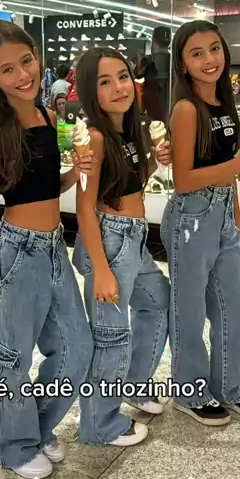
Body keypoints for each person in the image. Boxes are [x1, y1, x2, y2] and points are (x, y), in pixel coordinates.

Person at [0, 21, 95, 479]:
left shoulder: (44, 113)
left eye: (26, 61)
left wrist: (75, 172)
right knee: (13, 356)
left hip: (53, 248)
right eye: (8, 69)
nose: (23, 74)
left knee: (76, 346)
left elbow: (44, 187)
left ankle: (37, 428)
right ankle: (12, 445)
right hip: (17, 252)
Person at [160, 20, 240, 426]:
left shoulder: (224, 103)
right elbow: (184, 179)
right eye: (197, 53)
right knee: (189, 313)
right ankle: (189, 391)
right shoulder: (187, 109)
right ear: (183, 63)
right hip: (191, 218)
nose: (209, 59)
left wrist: (237, 223)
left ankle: (228, 387)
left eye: (214, 49)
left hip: (221, 215)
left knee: (235, 309)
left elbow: (228, 173)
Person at [72, 48, 171, 447]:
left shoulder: (127, 132)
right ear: (90, 91)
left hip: (133, 239)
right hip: (110, 241)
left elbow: (129, 184)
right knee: (110, 334)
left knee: (159, 301)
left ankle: (133, 383)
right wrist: (101, 269)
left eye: (123, 76)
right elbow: (84, 206)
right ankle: (100, 424)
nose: (119, 87)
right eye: (105, 81)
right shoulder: (94, 138)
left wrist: (155, 161)